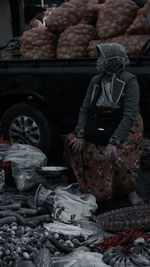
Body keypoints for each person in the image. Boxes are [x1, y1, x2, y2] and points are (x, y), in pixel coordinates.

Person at [64, 43, 143, 205]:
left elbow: (129, 116)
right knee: (72, 143)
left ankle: (131, 191)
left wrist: (114, 142)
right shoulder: (95, 81)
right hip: (102, 122)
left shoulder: (129, 81)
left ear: (113, 61)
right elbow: (85, 109)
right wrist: (80, 135)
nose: (98, 61)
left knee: (118, 154)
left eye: (102, 57)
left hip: (125, 126)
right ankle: (90, 187)